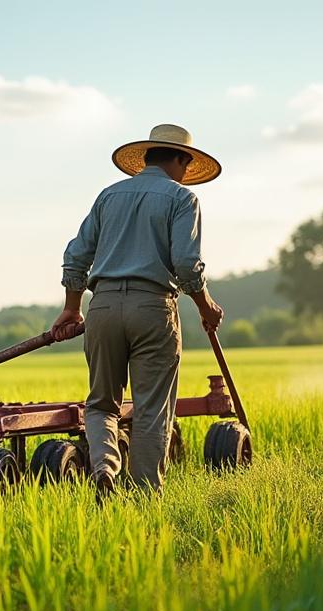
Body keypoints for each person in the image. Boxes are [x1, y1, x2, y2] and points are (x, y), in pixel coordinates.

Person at [49, 123, 225, 497]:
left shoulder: (109, 196)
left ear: (145, 158)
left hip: (104, 306)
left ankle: (105, 467)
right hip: (153, 307)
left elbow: (75, 255)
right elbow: (186, 263)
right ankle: (145, 496)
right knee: (151, 409)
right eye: (185, 165)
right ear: (180, 159)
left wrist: (71, 309)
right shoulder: (182, 198)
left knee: (100, 404)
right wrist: (206, 306)